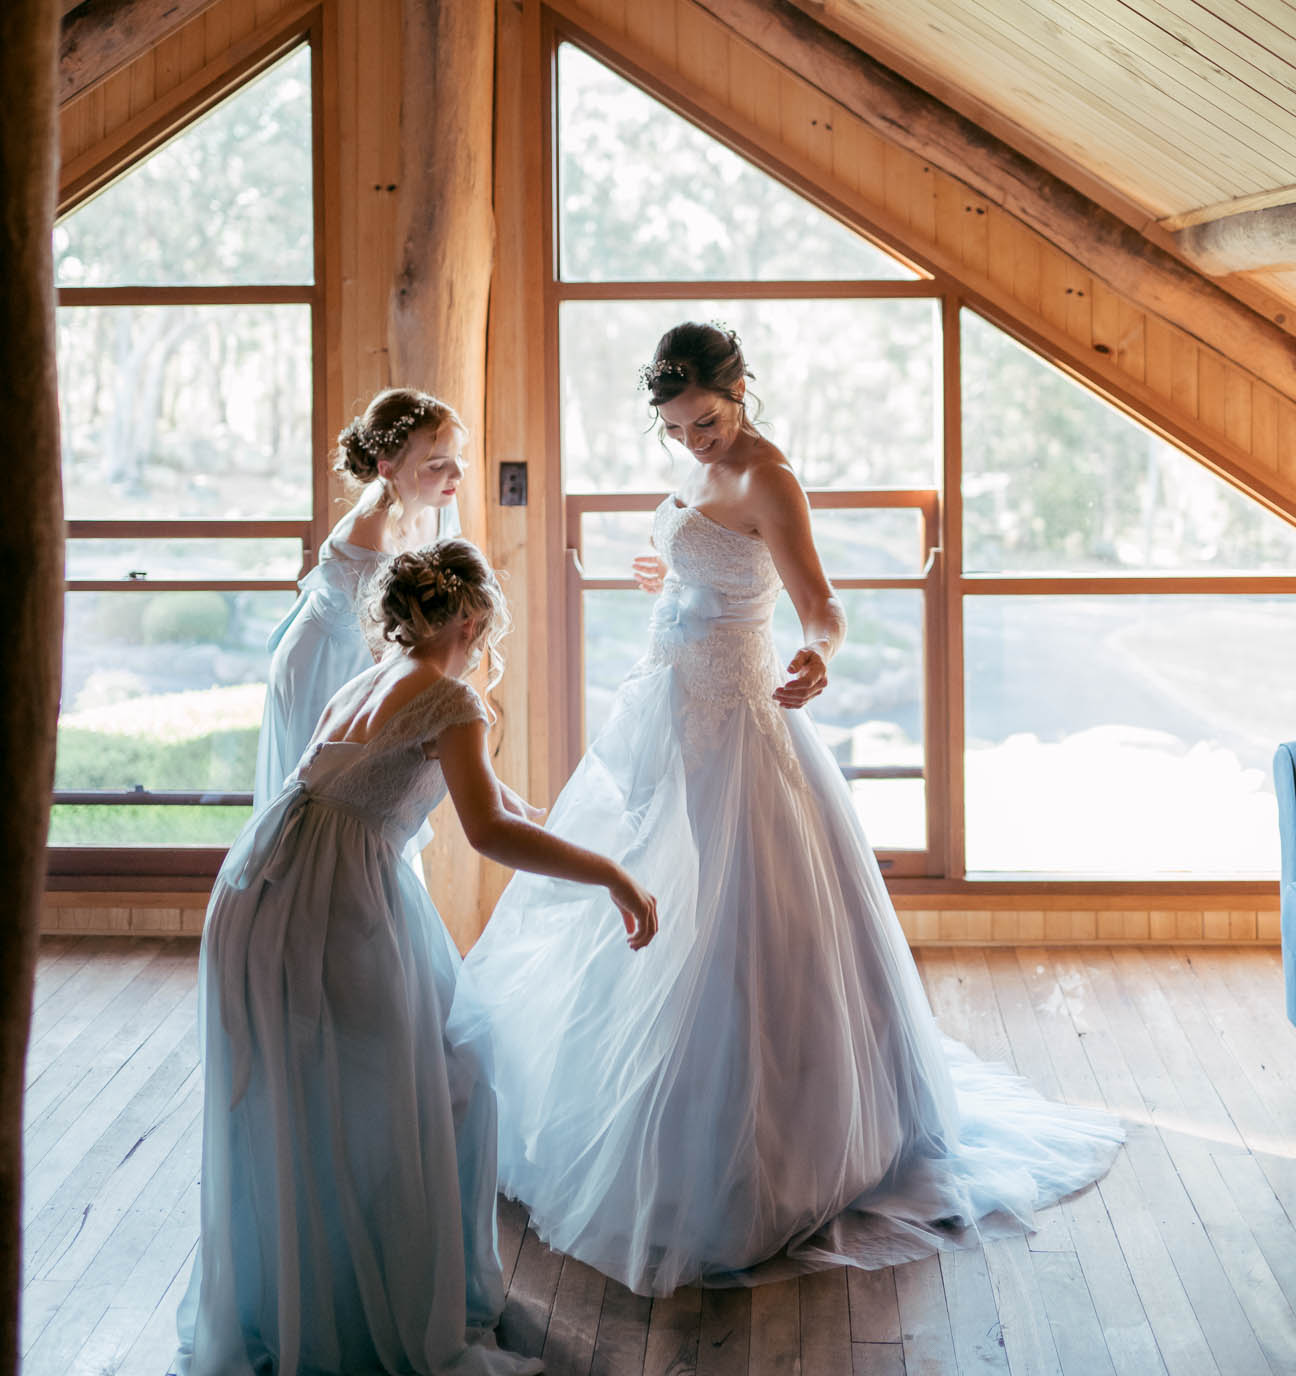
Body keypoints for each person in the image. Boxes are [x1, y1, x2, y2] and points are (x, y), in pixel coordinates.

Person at [455, 320, 1122, 1298]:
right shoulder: (694, 461)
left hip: (736, 715)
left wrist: (817, 652)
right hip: (661, 706)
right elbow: (701, 551)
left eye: (708, 420)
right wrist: (669, 570)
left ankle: (756, 1150)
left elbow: (821, 601)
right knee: (635, 897)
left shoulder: (769, 473)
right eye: (677, 429)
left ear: (740, 390)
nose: (695, 443)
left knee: (730, 916)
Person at [177, 538, 658, 1376]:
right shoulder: (450, 701)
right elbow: (491, 831)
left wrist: (582, 833)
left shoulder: (374, 678)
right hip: (330, 903)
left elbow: (501, 801)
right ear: (472, 618)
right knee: (430, 1083)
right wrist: (611, 877)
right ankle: (381, 1305)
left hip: (261, 888)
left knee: (325, 1093)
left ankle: (323, 1295)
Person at [253, 387, 466, 823]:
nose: (456, 473)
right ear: (387, 469)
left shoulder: (439, 504)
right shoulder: (367, 538)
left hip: (379, 652)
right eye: (436, 464)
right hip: (327, 663)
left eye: (458, 457)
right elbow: (389, 643)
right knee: (333, 803)